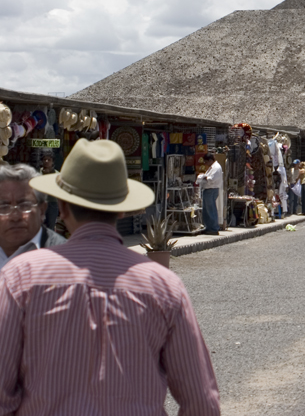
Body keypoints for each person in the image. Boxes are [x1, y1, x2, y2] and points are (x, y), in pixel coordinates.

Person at [0, 139, 219, 414]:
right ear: (122, 209)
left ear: (63, 208)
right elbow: (201, 402)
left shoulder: (20, 277)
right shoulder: (162, 285)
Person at [0, 163, 66, 269]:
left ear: (42, 210)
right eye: (4, 207)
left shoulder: (65, 256)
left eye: (25, 205)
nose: (15, 217)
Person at [195, 152, 222, 235]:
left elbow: (211, 179)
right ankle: (208, 227)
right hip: (208, 190)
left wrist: (203, 177)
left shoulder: (216, 167)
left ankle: (213, 228)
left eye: (206, 162)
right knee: (206, 210)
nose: (205, 164)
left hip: (211, 190)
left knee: (210, 209)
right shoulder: (212, 167)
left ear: (210, 160)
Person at [37, 155, 59, 231]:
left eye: (49, 159)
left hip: (52, 202)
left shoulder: (56, 174)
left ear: (52, 162)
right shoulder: (38, 174)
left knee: (51, 225)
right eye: (45, 159)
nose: (46, 161)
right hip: (40, 202)